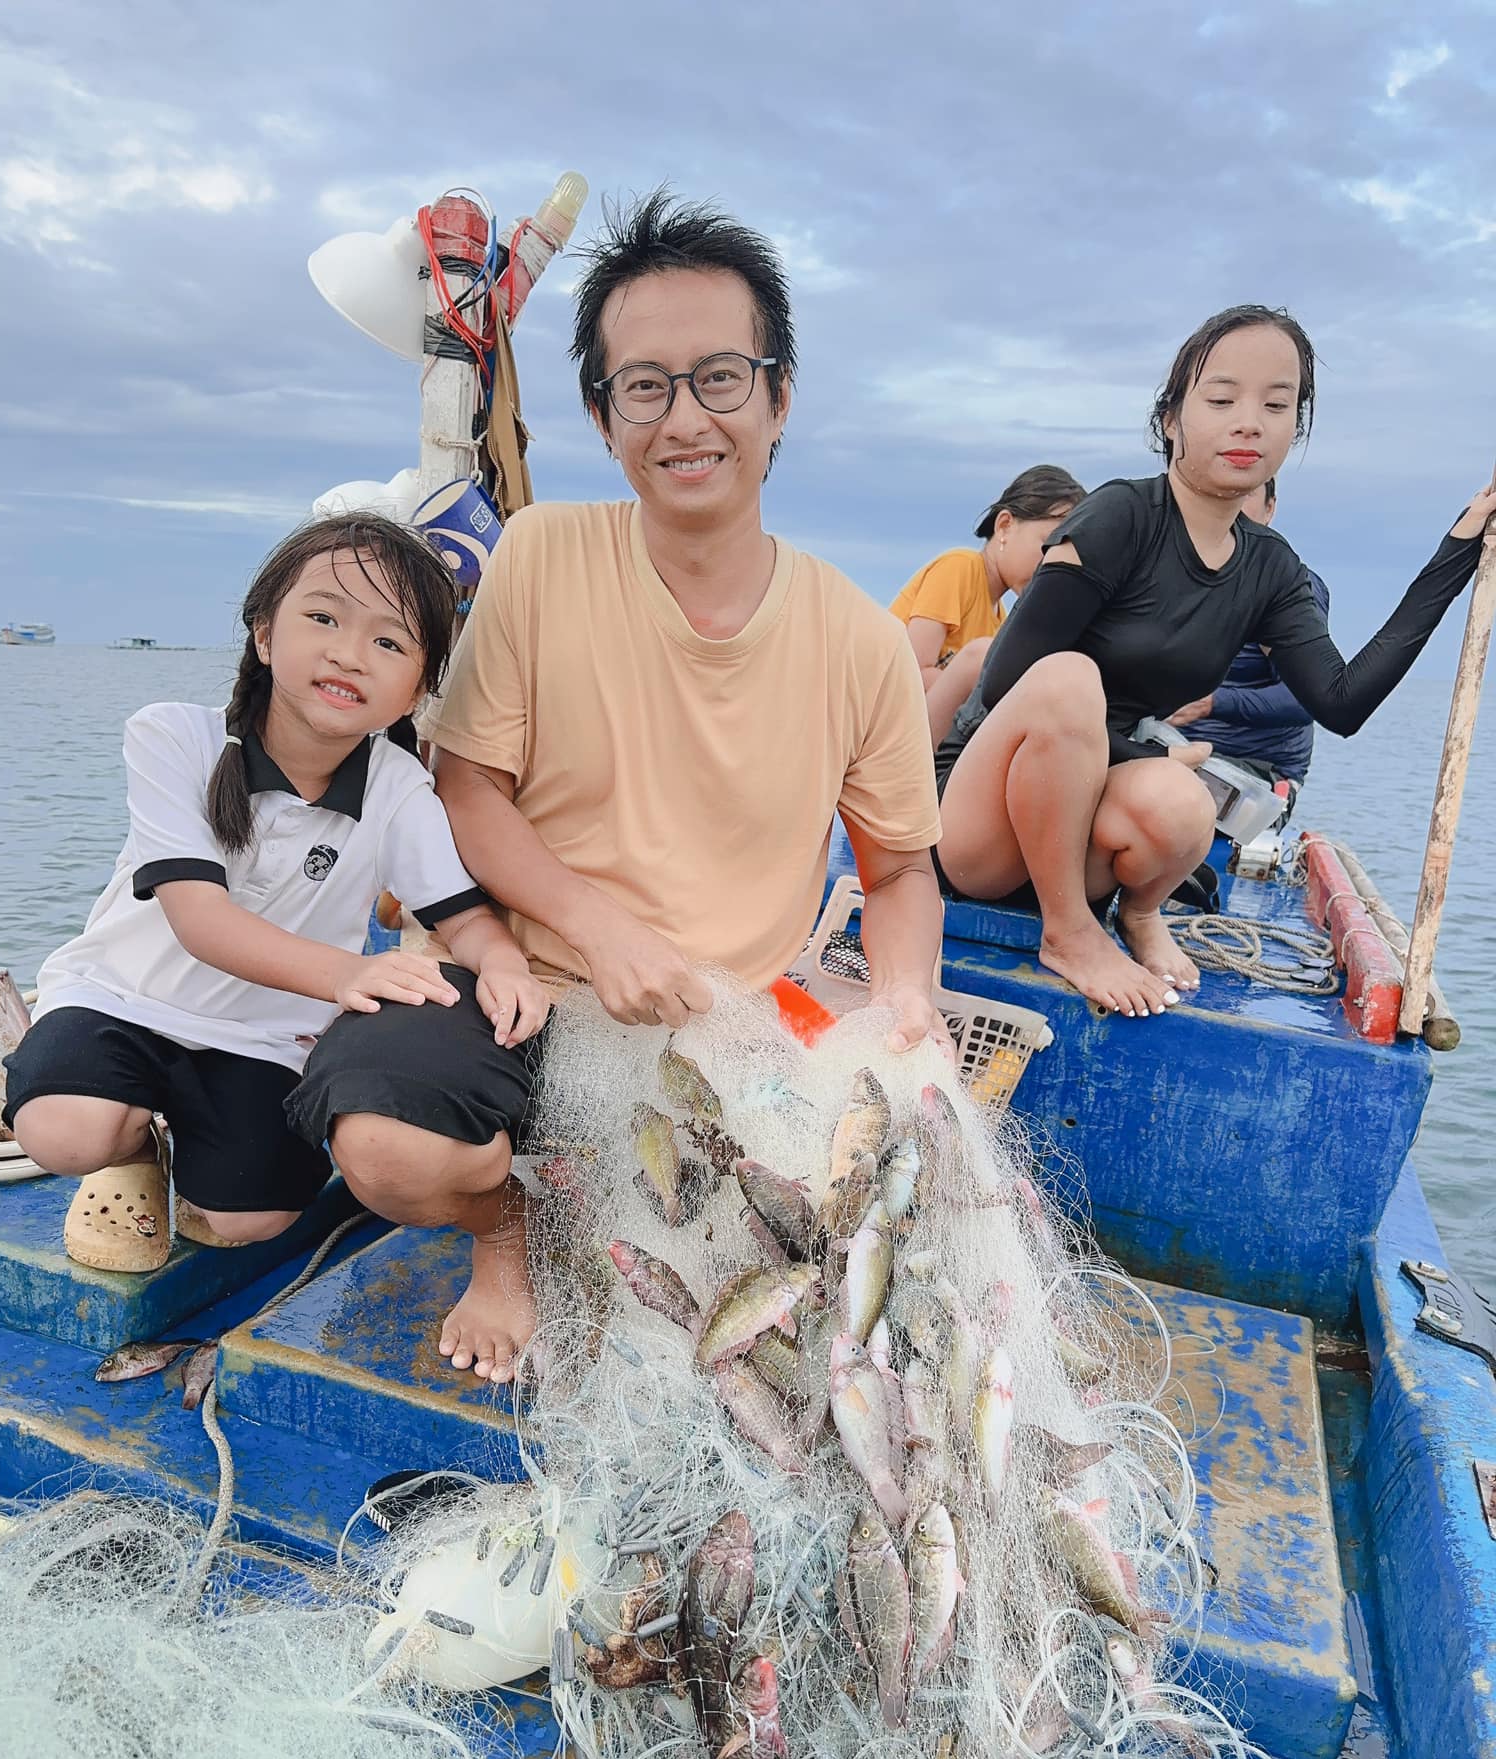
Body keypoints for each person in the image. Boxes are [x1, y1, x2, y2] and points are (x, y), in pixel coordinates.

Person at [291, 190, 947, 1383]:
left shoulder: (862, 640)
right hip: (523, 989)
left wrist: (908, 1003)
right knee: (383, 1146)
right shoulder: (540, 558)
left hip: (723, 1035)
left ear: (780, 396)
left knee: (838, 1300)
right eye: (645, 386)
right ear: (603, 413)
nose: (685, 417)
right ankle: (509, 1232)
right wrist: (596, 929)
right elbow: (466, 786)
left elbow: (900, 868)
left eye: (721, 378)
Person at [4, 515, 549, 1275]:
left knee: (251, 1217)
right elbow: (201, 922)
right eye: (322, 617)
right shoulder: (173, 738)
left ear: (418, 690)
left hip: (260, 1037)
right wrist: (346, 974)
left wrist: (503, 963)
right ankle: (128, 1148)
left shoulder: (398, 787)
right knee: (65, 1130)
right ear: (263, 633)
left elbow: (458, 913)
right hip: (122, 1002)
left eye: (388, 642)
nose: (348, 653)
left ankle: (192, 1156)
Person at [932, 303, 1496, 1018]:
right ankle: (1068, 934)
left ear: (1297, 427)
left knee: (1182, 808)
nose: (1249, 421)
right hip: (988, 824)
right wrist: (1142, 754)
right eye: (1222, 399)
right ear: (1172, 418)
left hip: (1087, 836)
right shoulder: (1118, 516)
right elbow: (1009, 680)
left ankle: (1137, 915)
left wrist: (1459, 551)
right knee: (1070, 680)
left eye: (1277, 404)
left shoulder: (1272, 570)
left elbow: (1343, 703)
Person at [891, 465, 1086, 745]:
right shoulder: (959, 567)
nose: (1050, 565)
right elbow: (908, 671)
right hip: (888, 725)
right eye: (1046, 546)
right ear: (1005, 525)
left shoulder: (1000, 619)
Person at [1168, 475, 1328, 785]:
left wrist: (1212, 703)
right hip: (1163, 749)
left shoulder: (1291, 590)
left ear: (1270, 509)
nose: (1227, 504)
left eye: (1243, 494)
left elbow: (1309, 699)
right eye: (1215, 492)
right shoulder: (1167, 580)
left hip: (1252, 772)